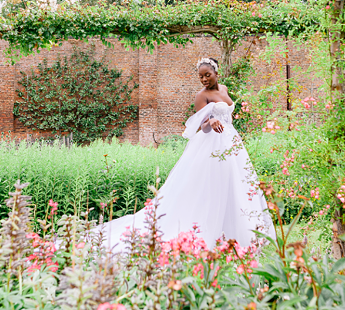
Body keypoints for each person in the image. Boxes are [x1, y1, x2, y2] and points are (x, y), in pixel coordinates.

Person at [97, 57, 275, 252]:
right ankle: (210, 234)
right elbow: (203, 127)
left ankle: (240, 234)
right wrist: (212, 121)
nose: (204, 79)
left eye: (208, 75)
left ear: (216, 73)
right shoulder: (201, 96)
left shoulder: (223, 89)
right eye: (201, 77)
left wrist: (222, 121)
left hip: (231, 143)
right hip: (213, 145)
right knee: (213, 186)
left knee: (237, 184)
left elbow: (228, 116)